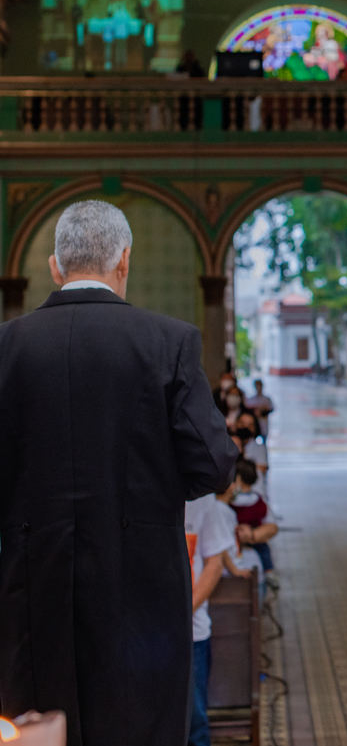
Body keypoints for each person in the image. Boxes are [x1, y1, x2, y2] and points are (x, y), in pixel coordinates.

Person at [0, 200, 238, 745]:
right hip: (142, 594)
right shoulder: (167, 342)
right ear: (124, 261)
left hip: (31, 591)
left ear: (57, 267)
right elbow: (215, 462)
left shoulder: (6, 348)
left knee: (40, 730)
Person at [185, 493, 237, 746]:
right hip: (138, 635)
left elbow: (215, 563)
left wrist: (181, 615)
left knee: (194, 720)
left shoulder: (201, 498)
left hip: (192, 634)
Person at [230, 460, 279, 586]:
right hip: (255, 530)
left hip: (236, 540)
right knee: (264, 549)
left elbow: (273, 528)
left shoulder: (230, 501)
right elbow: (266, 518)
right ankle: (269, 571)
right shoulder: (258, 499)